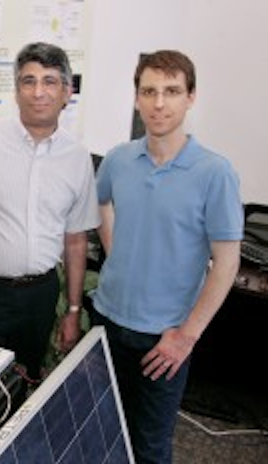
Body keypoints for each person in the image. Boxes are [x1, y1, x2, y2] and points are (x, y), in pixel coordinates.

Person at [91, 50, 243, 463]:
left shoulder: (215, 173)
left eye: (172, 91)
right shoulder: (119, 159)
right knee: (104, 429)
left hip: (163, 339)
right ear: (137, 98)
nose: (159, 103)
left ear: (191, 97)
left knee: (150, 448)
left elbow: (226, 264)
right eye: (149, 91)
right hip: (106, 319)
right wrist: (116, 252)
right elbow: (100, 203)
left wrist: (186, 336)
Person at [0, 42, 100, 383]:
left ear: (67, 92)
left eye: (49, 81)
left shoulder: (77, 159)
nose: (38, 92)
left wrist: (73, 311)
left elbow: (75, 241)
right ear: (16, 91)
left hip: (39, 297)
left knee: (23, 383)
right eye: (28, 81)